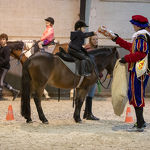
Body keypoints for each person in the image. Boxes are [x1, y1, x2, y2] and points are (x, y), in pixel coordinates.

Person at [99, 15, 150, 132]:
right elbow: (131, 48)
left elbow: (141, 53)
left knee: (137, 94)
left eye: (133, 24)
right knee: (134, 93)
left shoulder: (141, 36)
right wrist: (116, 39)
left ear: (137, 25)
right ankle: (140, 122)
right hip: (137, 69)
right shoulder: (141, 36)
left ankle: (141, 123)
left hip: (139, 70)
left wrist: (126, 59)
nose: (132, 26)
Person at [83, 35, 100, 120]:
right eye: (93, 39)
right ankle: (88, 114)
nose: (95, 41)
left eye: (96, 39)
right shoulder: (90, 50)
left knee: (89, 95)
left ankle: (86, 113)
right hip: (90, 75)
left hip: (93, 75)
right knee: (90, 94)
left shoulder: (95, 49)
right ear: (90, 40)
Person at [0, 33, 20, 100]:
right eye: (1, 39)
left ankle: (0, 95)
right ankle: (14, 91)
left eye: (3, 39)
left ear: (6, 40)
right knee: (1, 81)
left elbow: (6, 60)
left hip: (4, 67)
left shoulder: (7, 48)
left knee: (1, 82)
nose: (2, 41)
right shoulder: (1, 47)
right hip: (1, 67)